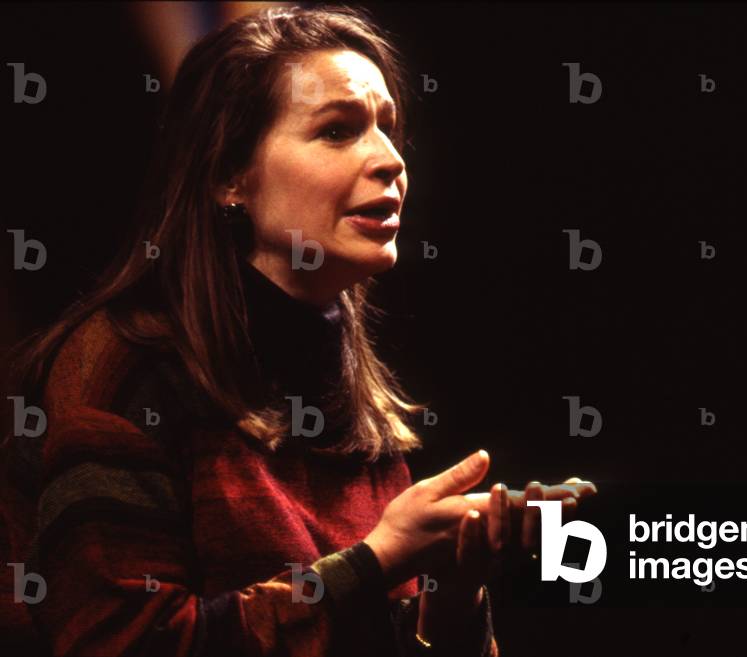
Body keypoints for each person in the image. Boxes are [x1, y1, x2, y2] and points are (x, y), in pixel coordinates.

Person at [0, 5, 596, 656]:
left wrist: (453, 594)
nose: (390, 160)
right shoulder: (120, 367)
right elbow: (120, 643)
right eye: (339, 131)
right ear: (230, 174)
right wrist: (376, 560)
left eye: (389, 129)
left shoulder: (354, 403)